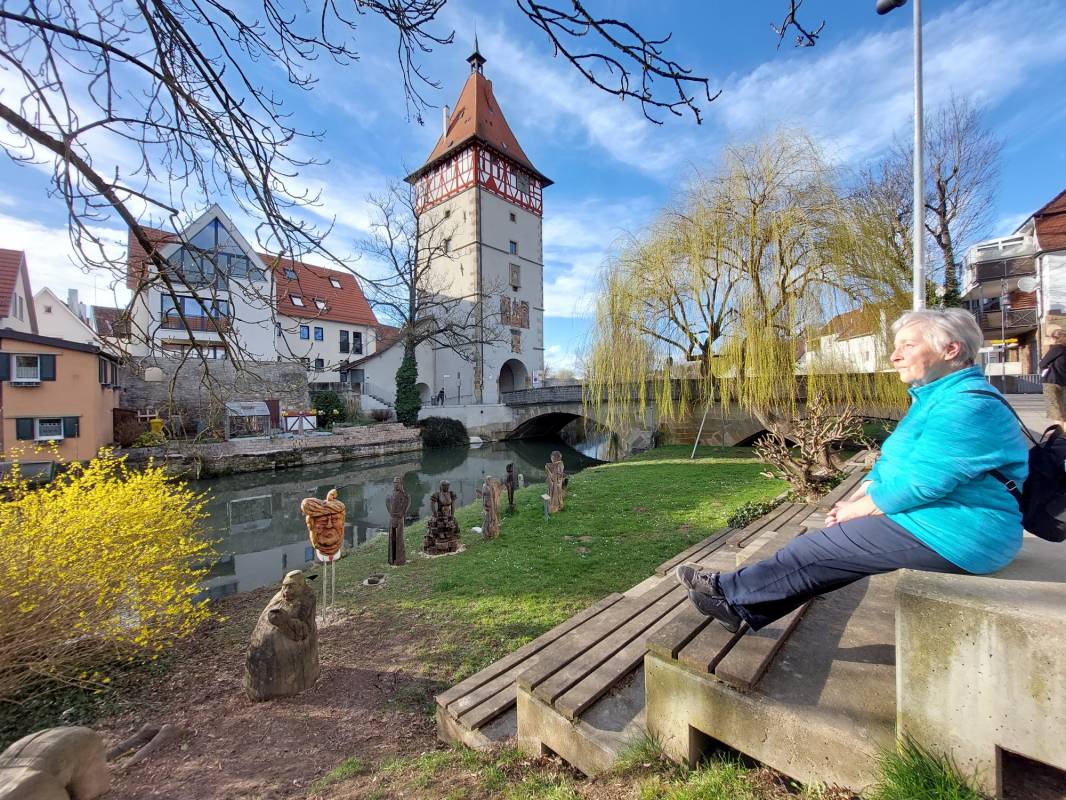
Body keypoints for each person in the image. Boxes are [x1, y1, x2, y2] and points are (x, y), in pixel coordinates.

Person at [677, 308, 1029, 633]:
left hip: (961, 530)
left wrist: (860, 508)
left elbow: (923, 482)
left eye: (908, 345)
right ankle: (738, 607)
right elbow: (899, 459)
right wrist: (867, 489)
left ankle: (728, 594)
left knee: (813, 549)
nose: (894, 356)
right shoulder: (938, 398)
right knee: (827, 551)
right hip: (942, 519)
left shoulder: (965, 405)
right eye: (896, 347)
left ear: (951, 350)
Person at [1039, 328, 1066, 429]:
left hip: (1052, 381)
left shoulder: (1056, 348)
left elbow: (1042, 364)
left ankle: (1059, 432)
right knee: (1063, 406)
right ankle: (1064, 430)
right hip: (1064, 382)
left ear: (1056, 338)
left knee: (1054, 406)